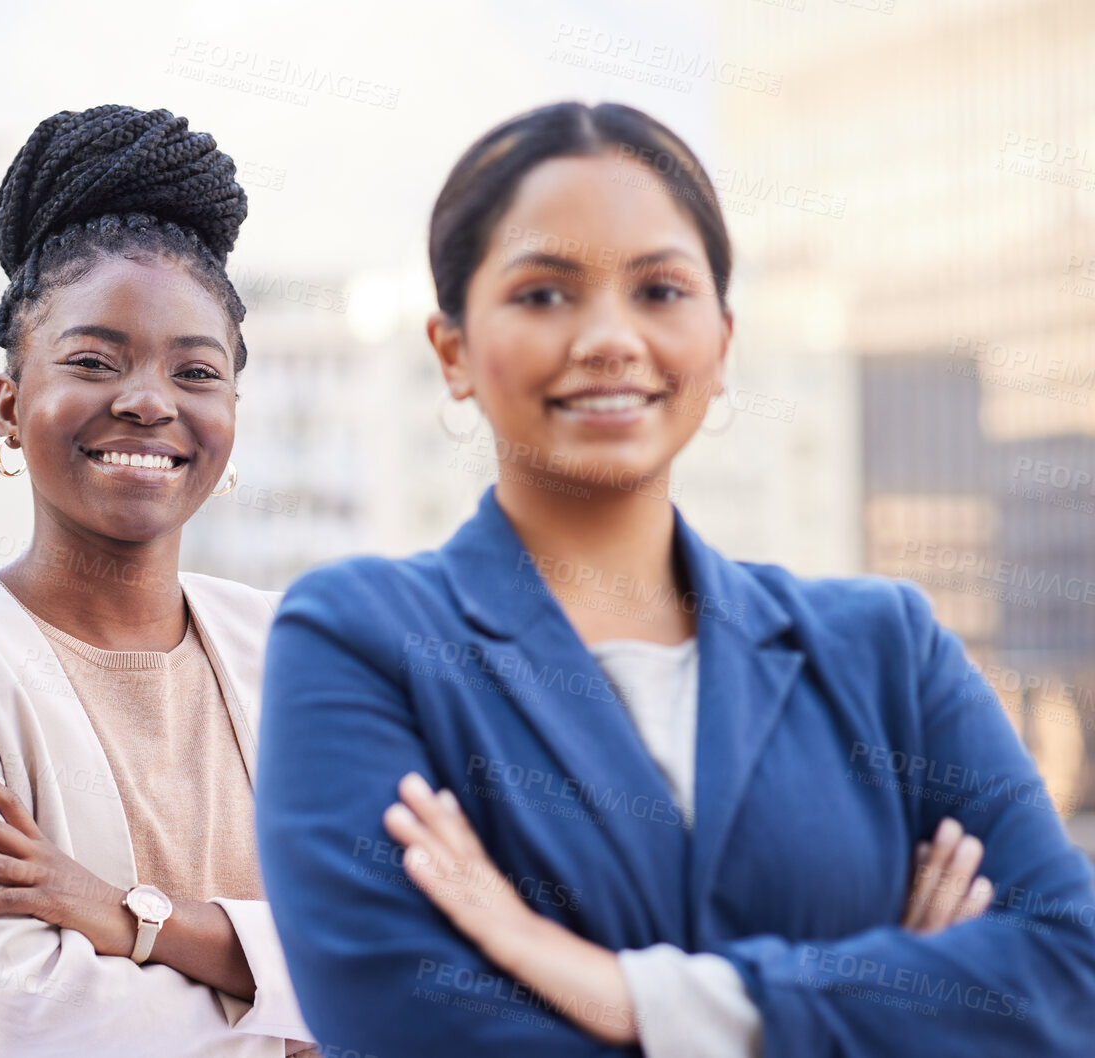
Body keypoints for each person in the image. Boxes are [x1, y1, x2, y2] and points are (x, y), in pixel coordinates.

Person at [255, 101, 1095, 1057]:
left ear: (724, 342)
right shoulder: (360, 639)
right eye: (543, 294)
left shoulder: (884, 647)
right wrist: (885, 1000)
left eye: (659, 290)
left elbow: (1070, 974)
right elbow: (408, 1024)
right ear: (451, 351)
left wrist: (620, 991)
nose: (610, 337)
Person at [0, 105, 315, 1058]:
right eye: (93, 361)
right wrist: (286, 998)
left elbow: (404, 962)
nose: (146, 401)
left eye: (197, 372)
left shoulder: (289, 647)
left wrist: (133, 920)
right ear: (10, 406)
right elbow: (15, 1013)